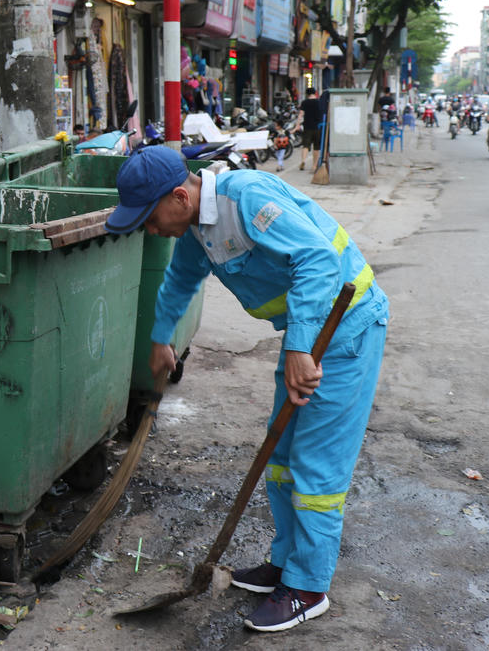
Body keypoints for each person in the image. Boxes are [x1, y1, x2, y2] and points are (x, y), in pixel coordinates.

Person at [104, 146, 389, 633]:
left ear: (179, 195)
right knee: (282, 455)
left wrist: (300, 348)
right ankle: (286, 565)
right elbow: (178, 280)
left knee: (316, 467)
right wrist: (161, 339)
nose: (150, 230)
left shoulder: (247, 200)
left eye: (150, 219)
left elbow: (318, 261)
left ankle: (308, 586)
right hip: (307, 332)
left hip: (344, 329)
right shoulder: (197, 226)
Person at [296, 88, 323, 172]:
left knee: (305, 145)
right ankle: (314, 166)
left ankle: (303, 161)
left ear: (307, 94)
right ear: (315, 93)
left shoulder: (304, 102)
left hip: (307, 127)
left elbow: (301, 114)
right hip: (318, 127)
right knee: (316, 147)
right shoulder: (319, 102)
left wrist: (297, 125)